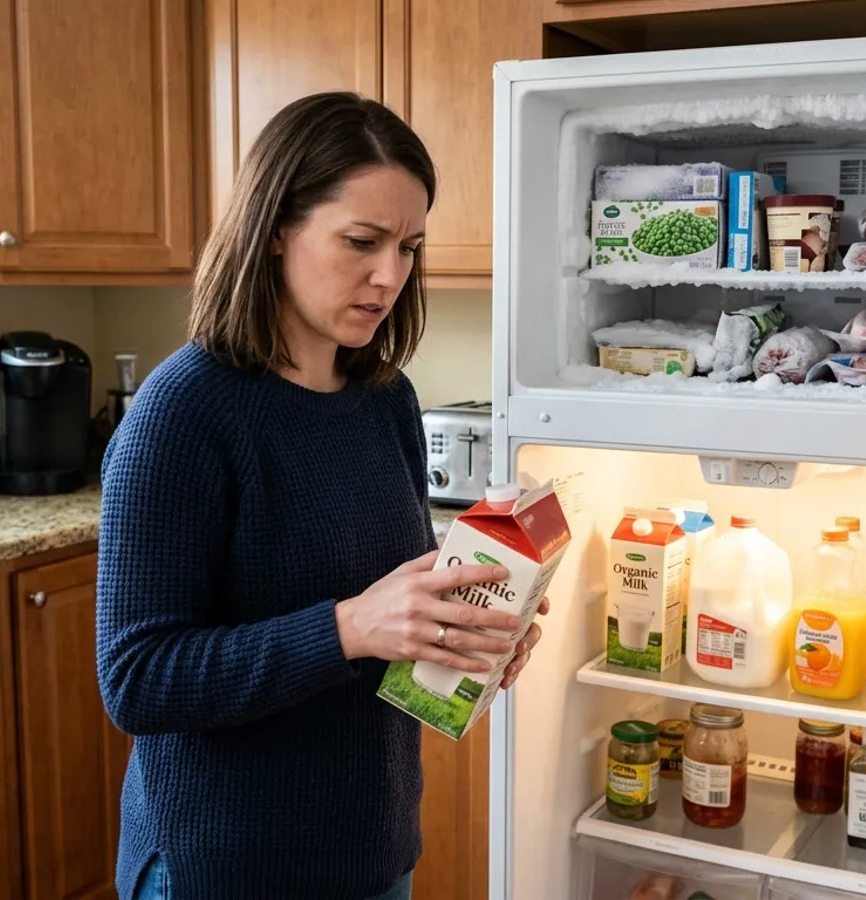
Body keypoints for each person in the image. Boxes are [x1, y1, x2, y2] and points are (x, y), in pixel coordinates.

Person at [96, 92, 545, 900]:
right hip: (225, 868)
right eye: (362, 242)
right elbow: (136, 679)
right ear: (275, 229)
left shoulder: (385, 398)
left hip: (372, 851)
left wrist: (463, 633)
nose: (390, 276)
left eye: (409, 247)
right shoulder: (184, 415)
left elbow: (380, 622)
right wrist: (347, 626)